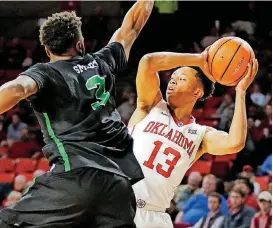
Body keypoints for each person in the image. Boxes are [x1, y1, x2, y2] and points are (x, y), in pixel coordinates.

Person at [0, 1, 154, 227]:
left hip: (74, 177)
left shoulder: (45, 72)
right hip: (118, 186)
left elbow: (18, 88)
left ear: (46, 50)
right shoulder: (101, 62)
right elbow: (131, 27)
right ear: (80, 44)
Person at [128, 48, 258, 228]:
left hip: (154, 216)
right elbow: (148, 61)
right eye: (172, 79)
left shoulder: (200, 134)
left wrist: (241, 92)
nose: (172, 82)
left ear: (198, 92)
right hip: (117, 203)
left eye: (181, 79)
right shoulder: (151, 106)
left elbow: (235, 142)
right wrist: (199, 58)